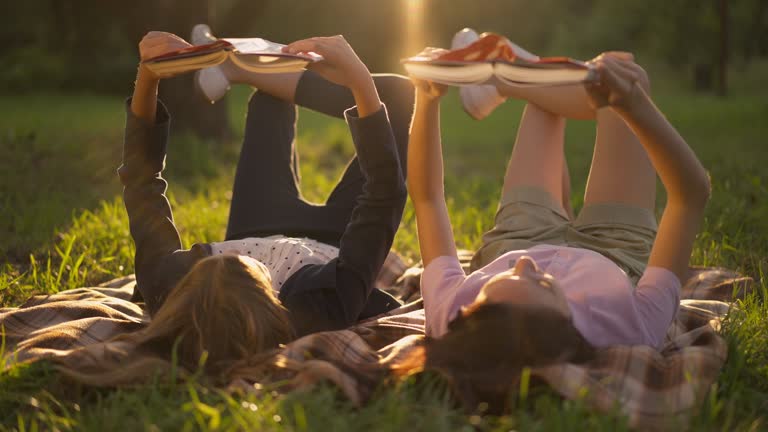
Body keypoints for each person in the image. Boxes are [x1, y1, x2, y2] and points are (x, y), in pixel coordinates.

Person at [57, 28, 415, 385]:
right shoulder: (321, 305)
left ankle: (240, 67)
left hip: (258, 221)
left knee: (270, 96)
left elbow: (140, 182)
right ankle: (240, 68)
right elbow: (384, 193)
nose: (240, 257)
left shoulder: (167, 285)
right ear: (270, 300)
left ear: (191, 284)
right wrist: (360, 82)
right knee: (397, 96)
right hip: (337, 236)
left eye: (211, 256)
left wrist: (149, 76)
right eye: (244, 265)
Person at [399, 29, 710, 410]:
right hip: (616, 249)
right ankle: (509, 72)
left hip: (518, 236)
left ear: (469, 312)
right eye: (543, 285)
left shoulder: (449, 311)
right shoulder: (630, 329)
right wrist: (634, 106)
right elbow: (690, 196)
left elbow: (428, 200)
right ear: (572, 327)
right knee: (630, 76)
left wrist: (426, 99)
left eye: (508, 279)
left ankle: (518, 73)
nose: (528, 267)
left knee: (546, 102)